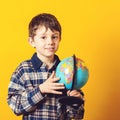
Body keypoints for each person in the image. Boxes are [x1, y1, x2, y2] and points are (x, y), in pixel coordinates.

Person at [7, 13, 85, 120]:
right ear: (32, 41)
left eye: (54, 37)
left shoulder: (69, 71)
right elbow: (15, 106)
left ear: (60, 39)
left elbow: (77, 116)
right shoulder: (23, 70)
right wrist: (40, 90)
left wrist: (76, 102)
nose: (50, 42)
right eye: (43, 37)